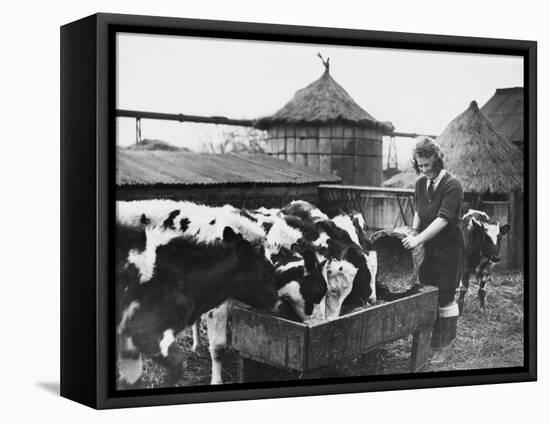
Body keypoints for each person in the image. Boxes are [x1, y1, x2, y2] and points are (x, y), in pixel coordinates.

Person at [402, 137, 465, 363]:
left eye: (427, 165)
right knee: (428, 292)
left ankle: (446, 346)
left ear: (437, 161)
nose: (423, 169)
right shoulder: (420, 183)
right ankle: (432, 340)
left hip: (449, 247)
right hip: (429, 246)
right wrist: (413, 230)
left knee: (446, 295)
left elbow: (442, 220)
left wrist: (417, 239)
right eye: (420, 165)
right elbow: (419, 209)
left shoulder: (452, 185)